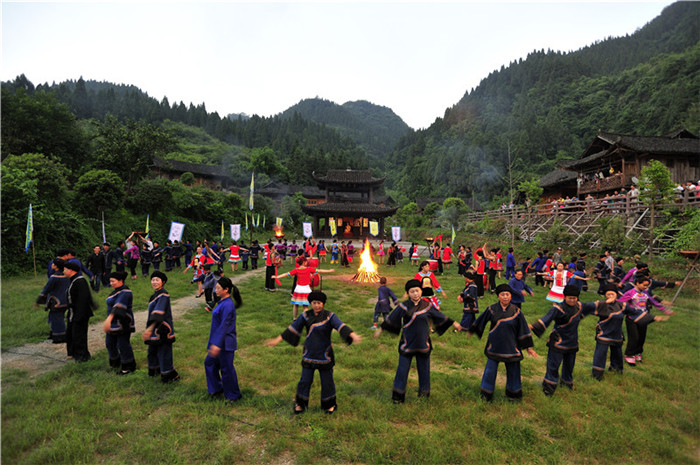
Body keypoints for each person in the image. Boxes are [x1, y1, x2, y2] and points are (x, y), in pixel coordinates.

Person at [265, 291, 361, 414]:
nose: (317, 306)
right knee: (305, 381)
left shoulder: (330, 316)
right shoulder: (305, 315)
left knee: (327, 381)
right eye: (314, 303)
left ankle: (329, 405)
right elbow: (293, 327)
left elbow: (340, 326)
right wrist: (277, 340)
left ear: (323, 303)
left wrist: (353, 335)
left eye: (319, 303)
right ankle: (300, 404)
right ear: (310, 303)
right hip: (309, 354)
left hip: (325, 355)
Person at [374, 279, 462, 403]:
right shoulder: (403, 306)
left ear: (421, 291)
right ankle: (398, 397)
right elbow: (392, 318)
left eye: (417, 291)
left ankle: (424, 395)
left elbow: (440, 316)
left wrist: (454, 323)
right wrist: (380, 329)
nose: (415, 294)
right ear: (408, 293)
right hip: (407, 344)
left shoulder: (427, 306)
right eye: (412, 291)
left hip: (423, 344)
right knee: (402, 371)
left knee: (424, 371)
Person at [467, 284, 538, 402]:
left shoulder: (517, 311)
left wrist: (528, 347)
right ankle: (486, 395)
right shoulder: (491, 309)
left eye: (507, 294)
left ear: (511, 296)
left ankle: (513, 395)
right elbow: (481, 320)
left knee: (514, 371)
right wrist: (472, 330)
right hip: (494, 346)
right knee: (490, 371)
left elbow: (523, 329)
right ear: (498, 296)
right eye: (502, 295)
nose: (505, 297)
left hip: (512, 347)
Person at [588, 283, 667, 380]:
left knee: (617, 353)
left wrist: (653, 318)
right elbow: (587, 308)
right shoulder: (601, 305)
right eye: (608, 294)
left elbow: (635, 312)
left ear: (616, 294)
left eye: (613, 294)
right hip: (603, 334)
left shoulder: (622, 305)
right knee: (600, 354)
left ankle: (616, 370)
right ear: (605, 295)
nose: (611, 296)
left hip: (616, 334)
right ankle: (597, 375)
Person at [530, 285, 596, 396]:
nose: (572, 300)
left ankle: (566, 383)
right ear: (564, 297)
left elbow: (594, 305)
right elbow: (547, 318)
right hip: (558, 341)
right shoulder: (558, 308)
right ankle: (549, 387)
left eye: (575, 298)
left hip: (572, 341)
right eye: (570, 298)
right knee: (553, 365)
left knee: (570, 365)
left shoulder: (579, 306)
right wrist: (533, 326)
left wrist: (608, 301)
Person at [619, 275, 673, 366]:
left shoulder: (645, 293)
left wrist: (665, 310)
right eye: (644, 285)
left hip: (644, 317)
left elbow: (653, 301)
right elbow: (620, 302)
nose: (646, 287)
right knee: (634, 337)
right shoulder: (630, 292)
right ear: (637, 283)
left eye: (647, 285)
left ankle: (637, 352)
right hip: (632, 319)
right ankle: (629, 354)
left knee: (641, 337)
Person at [205, 277, 244, 402]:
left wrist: (217, 344)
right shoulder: (222, 302)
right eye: (215, 287)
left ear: (226, 290)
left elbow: (225, 326)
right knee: (209, 363)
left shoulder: (228, 305)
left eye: (218, 288)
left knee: (226, 369)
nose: (215, 290)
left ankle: (233, 395)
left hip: (224, 343)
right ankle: (216, 388)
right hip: (217, 341)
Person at [142, 271, 180, 383]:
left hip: (163, 329)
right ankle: (155, 371)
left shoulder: (164, 294)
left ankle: (170, 375)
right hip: (154, 329)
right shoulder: (155, 295)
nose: (154, 282)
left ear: (163, 282)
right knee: (152, 351)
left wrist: (149, 328)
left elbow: (158, 313)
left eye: (157, 280)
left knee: (164, 352)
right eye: (153, 280)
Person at [102, 271, 136, 375]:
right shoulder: (115, 291)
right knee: (110, 343)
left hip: (123, 322)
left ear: (121, 281)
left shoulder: (125, 291)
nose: (111, 283)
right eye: (110, 281)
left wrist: (109, 319)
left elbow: (118, 306)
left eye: (113, 281)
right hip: (113, 323)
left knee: (123, 344)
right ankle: (115, 363)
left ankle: (128, 367)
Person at [64, 261, 96, 362]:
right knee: (71, 334)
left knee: (79, 335)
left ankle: (82, 357)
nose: (63, 271)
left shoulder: (80, 281)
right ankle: (73, 353)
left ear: (71, 271)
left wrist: (79, 316)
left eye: (65, 269)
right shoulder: (73, 280)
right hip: (73, 312)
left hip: (79, 314)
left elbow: (84, 299)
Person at [36, 258, 70, 343]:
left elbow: (46, 289)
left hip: (56, 301)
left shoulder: (54, 277)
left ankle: (60, 337)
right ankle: (53, 334)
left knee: (57, 319)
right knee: (56, 317)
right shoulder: (67, 276)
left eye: (53, 264)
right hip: (65, 300)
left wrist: (39, 300)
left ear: (56, 266)